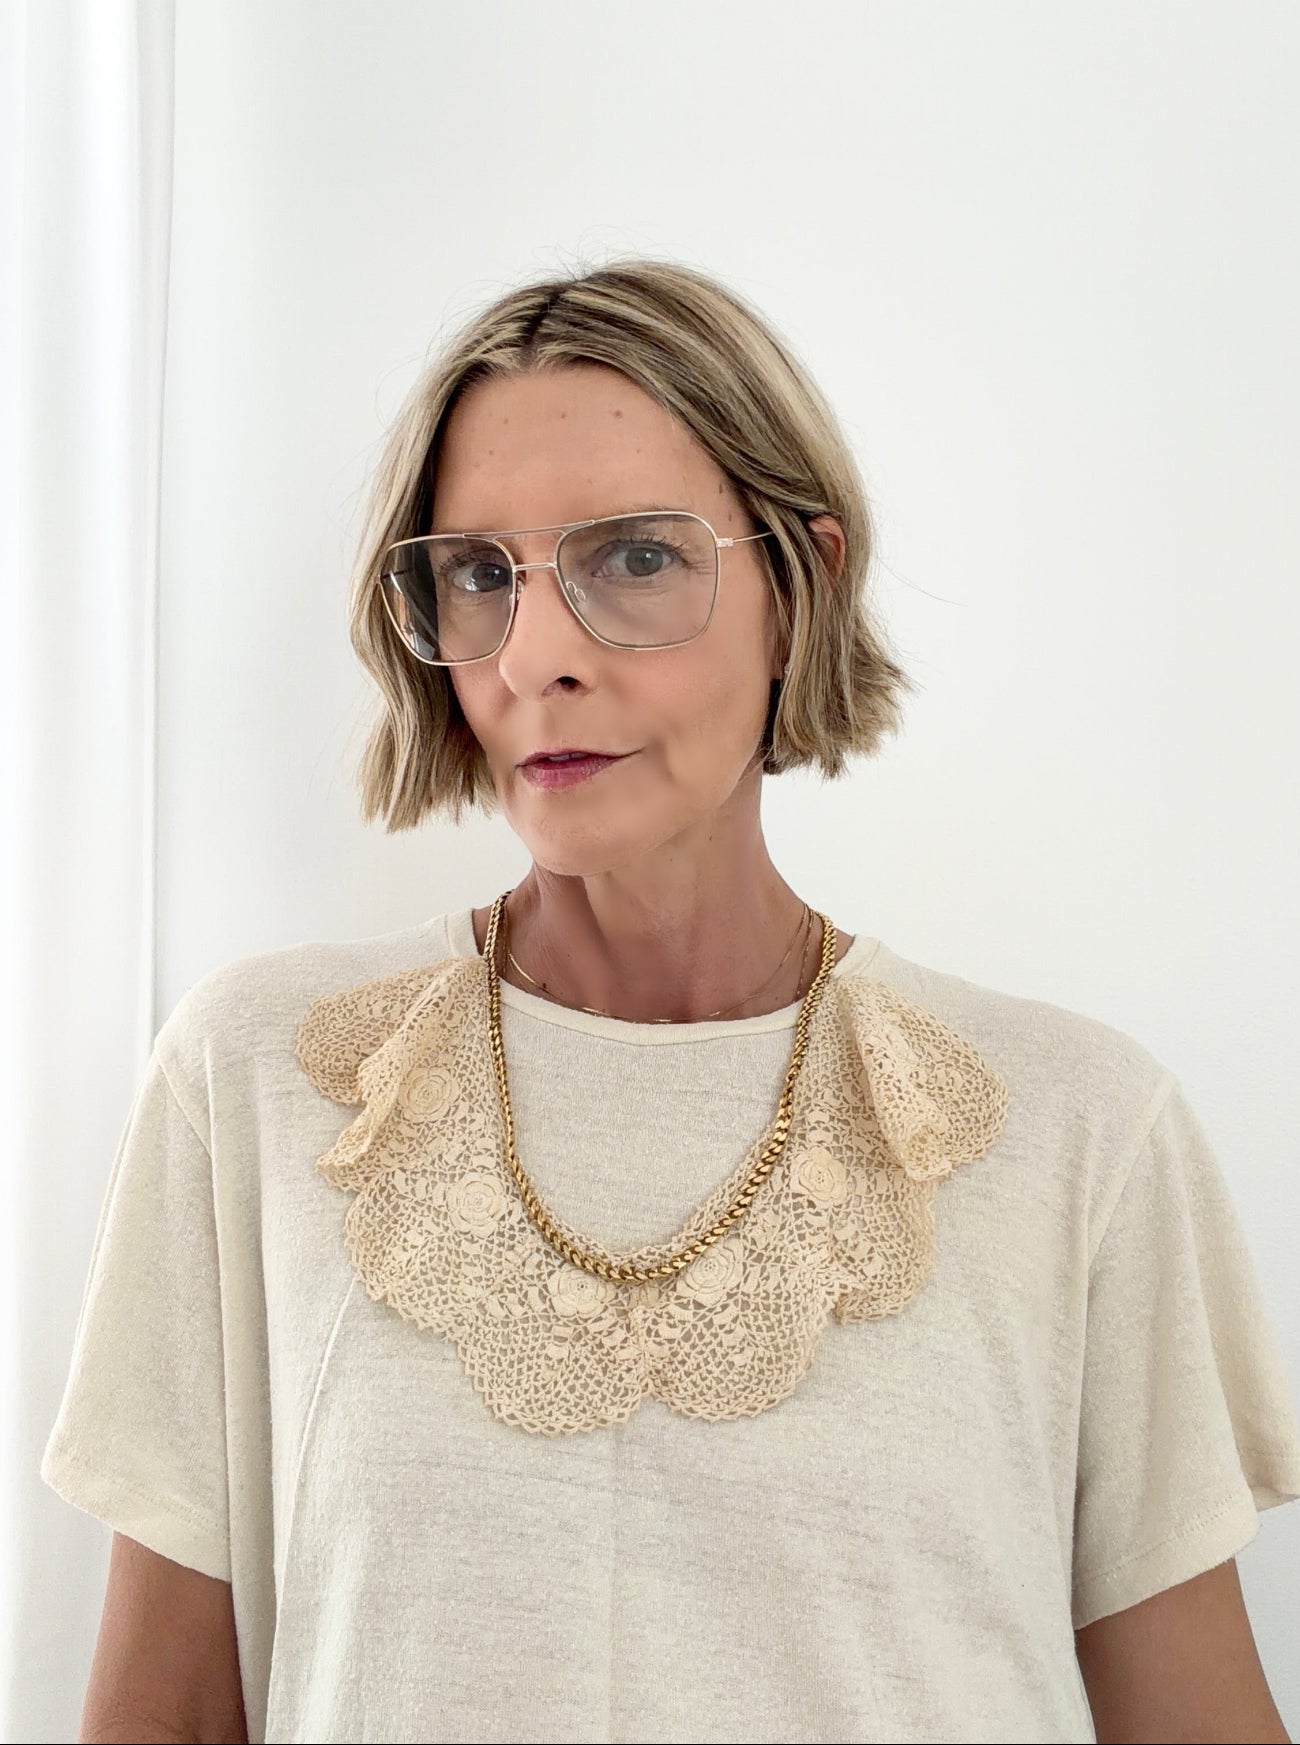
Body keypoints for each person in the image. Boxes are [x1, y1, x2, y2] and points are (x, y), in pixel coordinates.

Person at [42, 259, 1300, 1745]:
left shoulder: (1077, 1128)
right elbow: (163, 1717)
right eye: (480, 573)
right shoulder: (256, 1084)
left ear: (807, 577)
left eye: (635, 558)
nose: (538, 656)